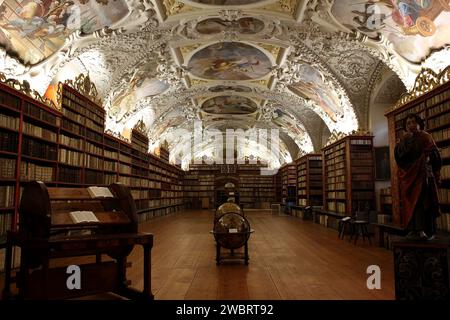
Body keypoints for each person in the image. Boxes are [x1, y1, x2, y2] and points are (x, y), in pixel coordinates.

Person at [394, 113, 441, 240]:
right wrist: (406, 142)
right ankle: (413, 229)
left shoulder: (426, 137)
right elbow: (399, 157)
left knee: (422, 202)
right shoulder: (403, 139)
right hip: (409, 177)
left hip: (423, 176)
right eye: (408, 123)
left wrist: (428, 158)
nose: (411, 125)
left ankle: (424, 229)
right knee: (411, 203)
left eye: (414, 122)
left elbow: (436, 156)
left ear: (419, 124)